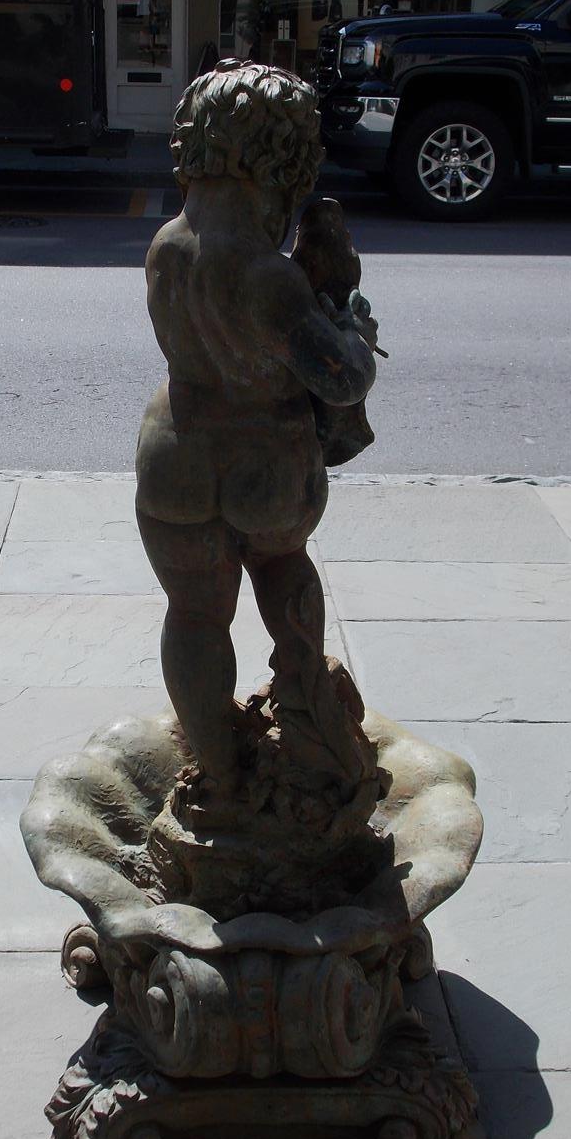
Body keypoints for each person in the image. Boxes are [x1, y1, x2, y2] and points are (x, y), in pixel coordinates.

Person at [135, 61, 379, 807]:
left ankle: (219, 773)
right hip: (265, 464)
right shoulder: (267, 275)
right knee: (283, 568)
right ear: (281, 156)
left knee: (196, 614)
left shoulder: (166, 247)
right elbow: (341, 377)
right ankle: (306, 723)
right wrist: (354, 329)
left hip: (175, 456)